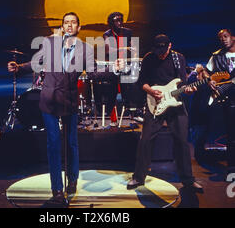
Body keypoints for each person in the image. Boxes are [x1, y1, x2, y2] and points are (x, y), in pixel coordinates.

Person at [8, 12, 123, 205]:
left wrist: (114, 69)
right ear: (62, 27)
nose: (69, 26)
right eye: (66, 23)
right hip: (49, 100)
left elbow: (93, 72)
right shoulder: (49, 43)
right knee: (53, 144)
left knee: (71, 143)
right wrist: (19, 67)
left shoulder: (84, 49)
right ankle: (57, 190)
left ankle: (73, 179)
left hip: (69, 101)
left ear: (78, 27)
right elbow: (36, 63)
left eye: (73, 23)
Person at [127, 34, 204, 193]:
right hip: (155, 103)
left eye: (163, 49)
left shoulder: (178, 58)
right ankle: (138, 177)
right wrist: (151, 91)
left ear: (170, 46)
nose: (160, 53)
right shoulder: (149, 58)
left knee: (182, 141)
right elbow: (142, 82)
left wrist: (188, 90)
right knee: (146, 140)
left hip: (175, 103)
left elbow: (181, 83)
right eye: (157, 50)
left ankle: (188, 180)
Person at [206, 28, 235, 176]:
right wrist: (209, 79)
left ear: (233, 37)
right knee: (231, 134)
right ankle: (232, 169)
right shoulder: (216, 56)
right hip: (229, 99)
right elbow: (205, 71)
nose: (223, 39)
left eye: (226, 36)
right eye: (220, 38)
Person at [100, 12, 139, 119]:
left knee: (128, 89)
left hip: (126, 63)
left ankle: (132, 114)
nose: (119, 22)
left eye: (120, 20)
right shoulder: (107, 34)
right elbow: (108, 51)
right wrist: (124, 48)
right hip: (114, 65)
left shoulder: (128, 32)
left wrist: (134, 55)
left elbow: (133, 48)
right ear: (111, 23)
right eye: (116, 20)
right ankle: (111, 115)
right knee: (111, 90)